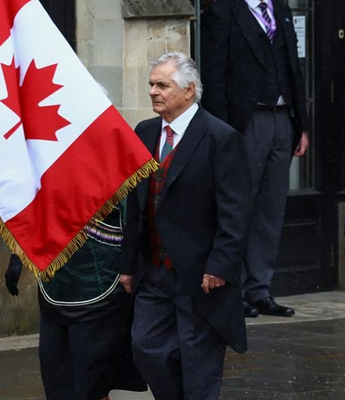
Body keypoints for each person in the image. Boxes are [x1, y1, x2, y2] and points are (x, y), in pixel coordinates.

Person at [119, 52, 253, 400]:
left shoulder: (220, 137)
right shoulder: (145, 132)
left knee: (199, 362)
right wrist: (127, 265)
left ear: (189, 90)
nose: (152, 92)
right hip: (154, 271)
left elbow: (235, 212)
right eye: (151, 84)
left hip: (200, 275)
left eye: (162, 85)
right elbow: (136, 206)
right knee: (146, 346)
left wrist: (220, 266)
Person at [200, 0, 311, 318]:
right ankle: (233, 291)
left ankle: (260, 290)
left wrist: (300, 125)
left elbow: (294, 69)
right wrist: (222, 132)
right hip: (242, 124)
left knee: (271, 210)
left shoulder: (281, 8)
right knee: (237, 208)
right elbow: (214, 76)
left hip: (282, 119)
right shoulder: (223, 10)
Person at [4, 204, 147, 400]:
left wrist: (130, 264)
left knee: (92, 380)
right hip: (54, 281)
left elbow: (134, 213)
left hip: (101, 278)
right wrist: (17, 253)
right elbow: (29, 201)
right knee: (57, 375)